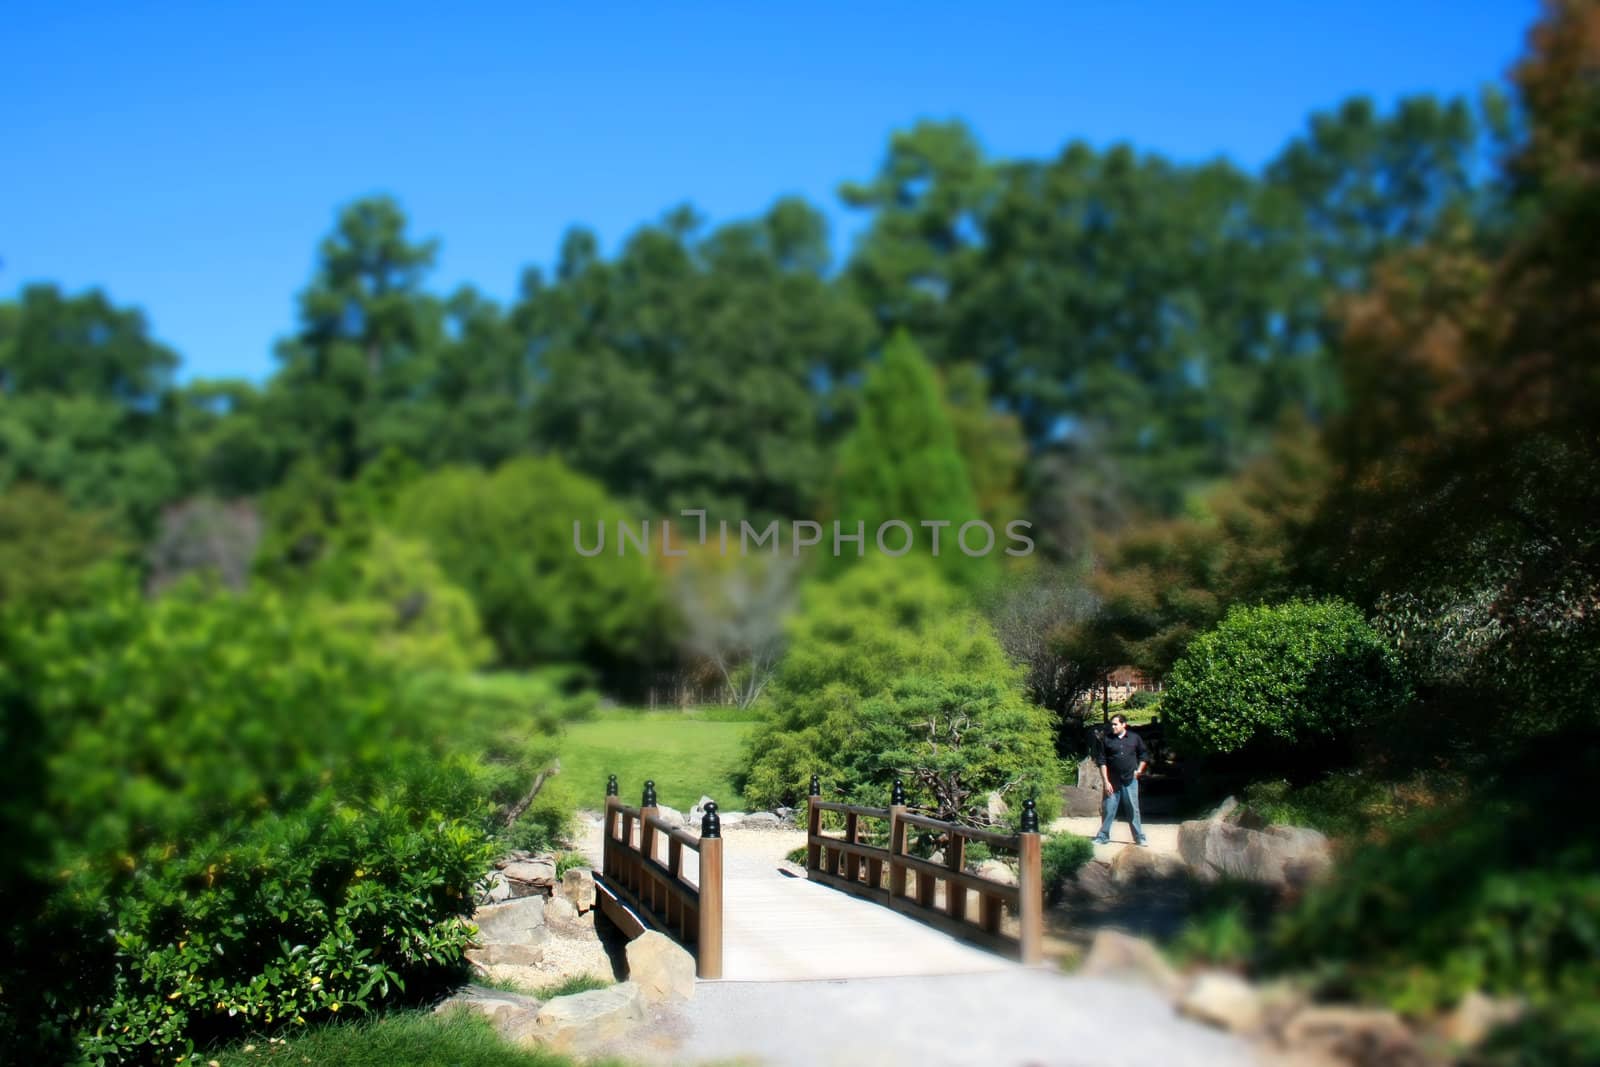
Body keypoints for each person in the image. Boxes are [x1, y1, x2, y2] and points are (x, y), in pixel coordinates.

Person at [1094, 712, 1150, 846]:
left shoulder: (1134, 738)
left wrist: (1139, 770)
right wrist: (1105, 781)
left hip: (1130, 780)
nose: (1113, 727)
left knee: (1133, 809)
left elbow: (1144, 755)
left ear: (1124, 724)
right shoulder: (1106, 740)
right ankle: (1103, 836)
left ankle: (1139, 837)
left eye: (1115, 724)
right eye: (1111, 724)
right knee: (1108, 808)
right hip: (1113, 781)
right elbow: (1102, 762)